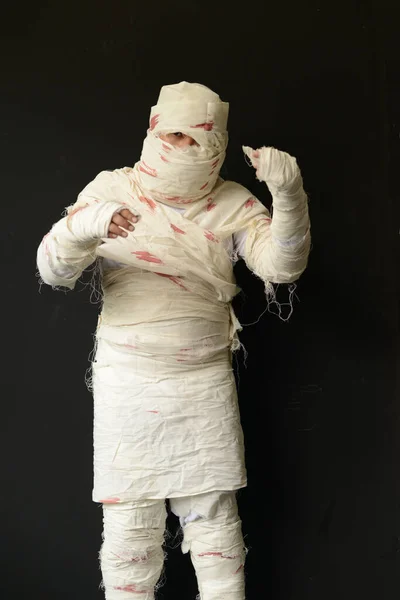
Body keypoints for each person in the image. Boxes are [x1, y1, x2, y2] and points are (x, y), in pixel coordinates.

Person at [36, 81, 311, 600]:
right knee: (129, 525)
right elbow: (52, 267)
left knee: (213, 518)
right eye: (176, 136)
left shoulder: (232, 202)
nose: (185, 149)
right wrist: (89, 225)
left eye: (200, 141)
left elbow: (281, 264)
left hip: (203, 380)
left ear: (220, 147)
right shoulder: (112, 190)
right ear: (153, 130)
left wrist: (289, 196)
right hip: (130, 381)